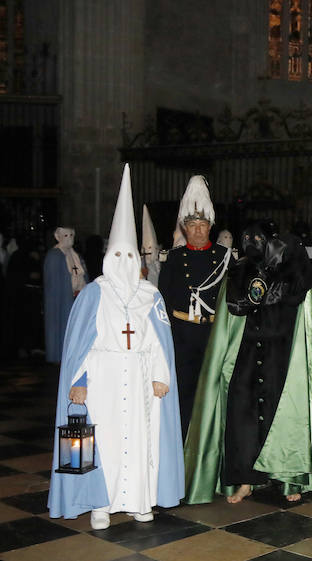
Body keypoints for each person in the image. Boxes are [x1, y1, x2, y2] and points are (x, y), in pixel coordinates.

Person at [48, 164, 183, 529]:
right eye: (117, 255)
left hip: (139, 377)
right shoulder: (94, 294)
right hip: (103, 379)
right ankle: (100, 503)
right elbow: (80, 345)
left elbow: (158, 342)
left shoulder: (150, 295)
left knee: (141, 439)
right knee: (103, 440)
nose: (124, 263)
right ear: (109, 256)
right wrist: (79, 381)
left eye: (130, 256)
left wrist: (160, 376)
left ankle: (141, 499)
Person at [183, 221, 312, 504]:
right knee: (242, 421)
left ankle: (289, 481)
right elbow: (233, 311)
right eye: (247, 237)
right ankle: (245, 482)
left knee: (283, 419)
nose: (254, 242)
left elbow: (303, 293)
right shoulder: (238, 272)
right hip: (246, 357)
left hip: (281, 357)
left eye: (259, 237)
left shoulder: (290, 271)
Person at [158, 175, 232, 437]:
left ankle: (211, 441)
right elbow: (163, 300)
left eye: (203, 224)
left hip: (213, 335)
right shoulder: (174, 258)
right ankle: (183, 441)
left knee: (213, 390)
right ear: (184, 228)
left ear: (210, 226)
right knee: (184, 393)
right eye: (192, 225)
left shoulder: (225, 258)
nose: (198, 230)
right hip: (182, 335)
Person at [43, 227, 88, 363]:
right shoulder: (54, 256)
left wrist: (83, 289)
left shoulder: (76, 255)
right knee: (61, 324)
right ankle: (58, 354)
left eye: (72, 235)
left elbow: (82, 274)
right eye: (66, 235)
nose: (70, 238)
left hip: (76, 298)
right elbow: (54, 283)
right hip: (62, 299)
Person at [141, 205, 161, 286]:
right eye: (149, 248)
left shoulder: (159, 265)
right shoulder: (140, 265)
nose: (151, 251)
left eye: (154, 248)